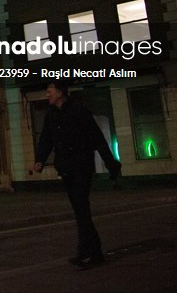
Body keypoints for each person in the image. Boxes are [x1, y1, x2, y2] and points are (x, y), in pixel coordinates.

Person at [33, 81, 121, 270]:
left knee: (81, 207)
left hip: (81, 166)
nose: (47, 95)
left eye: (49, 92)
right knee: (81, 211)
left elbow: (97, 137)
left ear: (60, 93)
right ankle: (95, 251)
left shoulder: (78, 111)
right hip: (65, 168)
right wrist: (40, 159)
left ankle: (84, 252)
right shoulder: (51, 114)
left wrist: (110, 162)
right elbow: (46, 139)